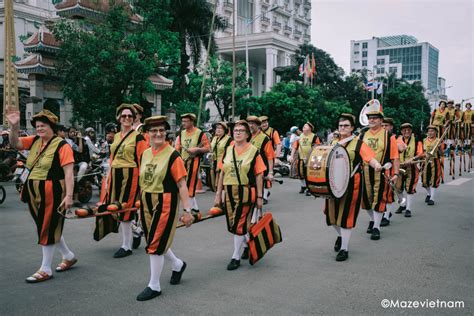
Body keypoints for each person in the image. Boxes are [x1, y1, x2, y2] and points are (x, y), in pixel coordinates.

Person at [7, 109, 77, 283]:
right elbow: (15, 144)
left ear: (52, 126)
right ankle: (68, 256)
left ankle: (46, 268)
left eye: (43, 125)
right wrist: (14, 127)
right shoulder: (36, 141)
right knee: (46, 225)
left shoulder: (62, 145)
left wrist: (69, 196)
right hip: (33, 189)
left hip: (52, 190)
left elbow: (69, 173)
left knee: (47, 226)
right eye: (37, 126)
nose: (39, 129)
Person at [136, 115, 194, 301]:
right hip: (146, 200)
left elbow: (182, 184)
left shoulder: (173, 155)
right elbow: (143, 180)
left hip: (165, 202)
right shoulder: (145, 153)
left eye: (161, 130)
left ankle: (154, 285)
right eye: (154, 131)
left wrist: (187, 210)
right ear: (148, 134)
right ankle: (177, 264)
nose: (158, 133)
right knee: (154, 239)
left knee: (155, 243)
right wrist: (139, 204)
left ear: (166, 132)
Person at [324, 113, 381, 261]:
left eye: (346, 125)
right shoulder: (333, 142)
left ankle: (344, 249)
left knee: (346, 215)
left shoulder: (358, 143)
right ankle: (340, 236)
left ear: (352, 128)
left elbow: (370, 158)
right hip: (333, 184)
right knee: (330, 215)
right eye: (340, 125)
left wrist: (377, 165)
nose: (342, 128)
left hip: (351, 183)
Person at [214, 120, 266, 271]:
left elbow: (259, 175)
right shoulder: (228, 150)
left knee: (238, 223)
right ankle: (248, 244)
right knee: (234, 224)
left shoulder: (253, 151)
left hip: (246, 192)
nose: (237, 133)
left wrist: (260, 197)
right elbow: (222, 172)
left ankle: (235, 256)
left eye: (241, 130)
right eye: (235, 130)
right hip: (229, 191)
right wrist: (218, 194)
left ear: (247, 134)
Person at [98, 103, 148, 257]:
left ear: (134, 119)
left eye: (130, 116)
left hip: (130, 174)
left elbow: (143, 159)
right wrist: (109, 175)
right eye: (124, 115)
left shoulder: (138, 137)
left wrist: (142, 181)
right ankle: (136, 231)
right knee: (115, 208)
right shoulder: (117, 136)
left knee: (125, 209)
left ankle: (126, 246)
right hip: (115, 174)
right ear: (118, 118)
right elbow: (112, 157)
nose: (127, 118)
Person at [360, 109, 400, 241]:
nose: (371, 120)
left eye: (375, 118)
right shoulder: (362, 134)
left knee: (378, 199)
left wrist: (396, 173)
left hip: (382, 171)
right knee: (366, 200)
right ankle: (373, 219)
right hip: (365, 171)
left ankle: (376, 226)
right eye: (370, 118)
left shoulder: (389, 136)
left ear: (381, 120)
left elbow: (394, 157)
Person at [175, 113, 210, 216]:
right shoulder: (181, 133)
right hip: (182, 162)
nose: (183, 123)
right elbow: (177, 148)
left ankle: (188, 211)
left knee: (190, 184)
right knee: (183, 184)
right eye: (183, 121)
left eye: (186, 121)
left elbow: (208, 148)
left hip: (194, 161)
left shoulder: (200, 133)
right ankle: (195, 209)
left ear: (192, 122)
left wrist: (197, 149)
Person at [379, 117, 405, 227]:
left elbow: (402, 148)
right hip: (379, 168)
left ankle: (386, 215)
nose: (384, 127)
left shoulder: (396, 138)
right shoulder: (379, 137)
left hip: (390, 168)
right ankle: (383, 213)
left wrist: (392, 140)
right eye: (383, 125)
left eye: (386, 126)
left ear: (391, 127)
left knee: (388, 193)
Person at [395, 123, 423, 217]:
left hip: (411, 167)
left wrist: (413, 159)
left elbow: (420, 153)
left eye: (408, 130)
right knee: (398, 187)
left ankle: (408, 208)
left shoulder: (417, 139)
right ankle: (403, 204)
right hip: (399, 166)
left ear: (411, 131)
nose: (406, 131)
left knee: (410, 188)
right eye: (404, 130)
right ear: (401, 131)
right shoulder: (397, 140)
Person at [247, 116, 275, 204]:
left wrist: (270, 172)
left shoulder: (265, 139)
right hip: (248, 168)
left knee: (261, 188)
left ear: (258, 125)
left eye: (253, 124)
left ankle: (263, 197)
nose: (250, 126)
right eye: (249, 124)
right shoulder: (247, 137)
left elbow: (270, 156)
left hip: (261, 168)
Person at [290, 122, 320, 195]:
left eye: (305, 126)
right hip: (301, 158)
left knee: (309, 174)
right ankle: (303, 186)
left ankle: (309, 188)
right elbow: (294, 147)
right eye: (303, 126)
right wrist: (291, 156)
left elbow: (317, 147)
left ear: (310, 128)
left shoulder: (314, 137)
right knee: (300, 173)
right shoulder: (299, 137)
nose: (303, 127)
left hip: (311, 159)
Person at [208, 122, 232, 192]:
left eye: (220, 128)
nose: (218, 130)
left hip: (223, 163)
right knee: (214, 181)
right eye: (217, 128)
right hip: (214, 161)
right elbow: (210, 148)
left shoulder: (229, 139)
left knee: (222, 182)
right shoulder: (214, 138)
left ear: (224, 130)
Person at [421, 126, 442, 205]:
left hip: (435, 161)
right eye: (429, 131)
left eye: (432, 131)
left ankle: (432, 198)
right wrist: (424, 155)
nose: (430, 132)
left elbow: (441, 154)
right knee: (424, 181)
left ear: (436, 132)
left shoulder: (438, 140)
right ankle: (429, 193)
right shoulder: (424, 140)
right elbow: (422, 151)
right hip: (425, 161)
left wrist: (439, 148)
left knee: (434, 180)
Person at [430, 100, 449, 183]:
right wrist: (430, 125)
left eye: (444, 104)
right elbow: (431, 118)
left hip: (441, 128)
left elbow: (448, 120)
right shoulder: (435, 110)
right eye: (441, 104)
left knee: (440, 143)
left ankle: (440, 150)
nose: (442, 105)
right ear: (439, 105)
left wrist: (445, 124)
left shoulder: (446, 112)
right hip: (434, 126)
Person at [462, 103, 472, 171]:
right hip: (465, 124)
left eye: (469, 105)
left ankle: (469, 143)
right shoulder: (464, 112)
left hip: (471, 124)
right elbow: (462, 119)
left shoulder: (473, 111)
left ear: (470, 106)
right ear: (466, 106)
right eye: (467, 105)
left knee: (470, 133)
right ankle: (464, 144)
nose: (468, 106)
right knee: (463, 133)